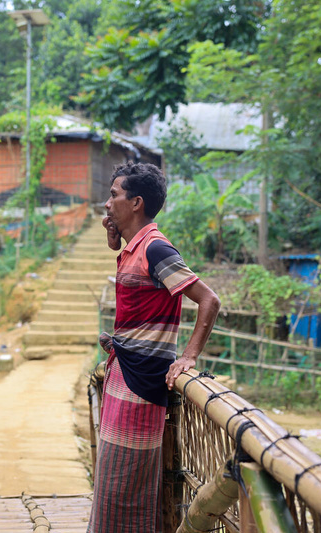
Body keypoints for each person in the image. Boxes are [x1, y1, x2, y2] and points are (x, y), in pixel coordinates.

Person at [88, 162, 221, 533]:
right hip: (124, 376)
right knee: (111, 484)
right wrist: (114, 238)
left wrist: (189, 356)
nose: (107, 202)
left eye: (114, 195)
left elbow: (209, 300)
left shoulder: (157, 248)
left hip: (142, 384)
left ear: (136, 202)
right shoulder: (137, 247)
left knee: (127, 485)